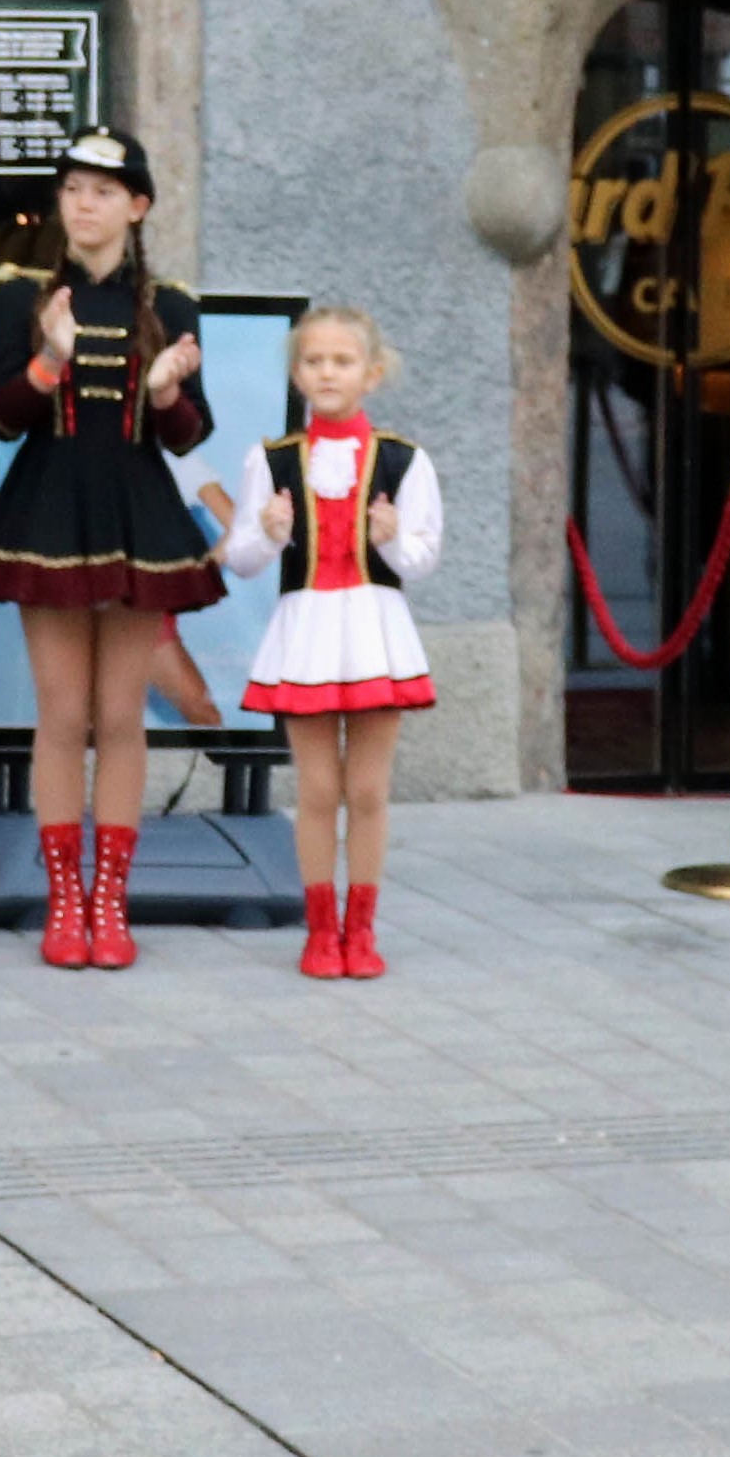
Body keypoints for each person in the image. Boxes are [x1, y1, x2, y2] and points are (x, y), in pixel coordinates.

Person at [0, 128, 216, 969]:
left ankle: (109, 903)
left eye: (105, 191)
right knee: (61, 714)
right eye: (74, 188)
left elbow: (189, 436)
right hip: (47, 515)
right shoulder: (22, 295)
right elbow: (0, 419)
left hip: (135, 520)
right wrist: (47, 360)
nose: (85, 204)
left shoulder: (173, 305)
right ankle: (62, 899)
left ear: (137, 206)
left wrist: (165, 391)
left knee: (119, 715)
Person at [210, 305, 441, 982]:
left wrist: (392, 536)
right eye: (314, 361)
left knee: (367, 788)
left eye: (341, 361)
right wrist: (270, 527)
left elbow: (424, 556)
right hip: (307, 631)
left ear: (370, 373)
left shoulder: (403, 458)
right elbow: (244, 558)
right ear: (297, 373)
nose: (327, 372)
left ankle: (361, 928)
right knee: (315, 787)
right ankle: (319, 930)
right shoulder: (273, 459)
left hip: (374, 631)